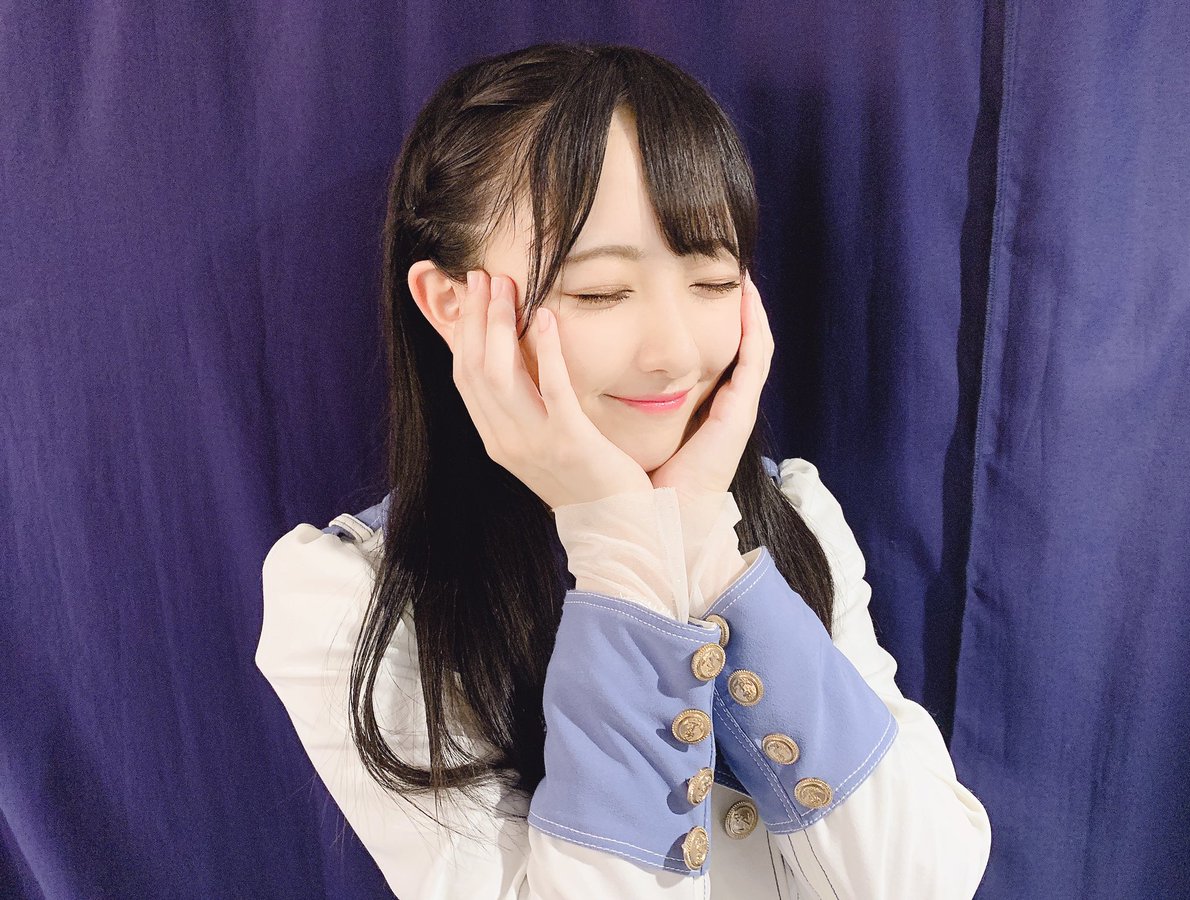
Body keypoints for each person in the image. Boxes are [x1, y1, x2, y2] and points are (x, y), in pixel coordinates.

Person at [255, 42, 991, 899]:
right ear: (451, 304)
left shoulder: (795, 512)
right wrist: (617, 544)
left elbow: (922, 881)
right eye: (600, 292)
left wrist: (701, 539)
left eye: (712, 281)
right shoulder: (352, 598)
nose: (673, 352)